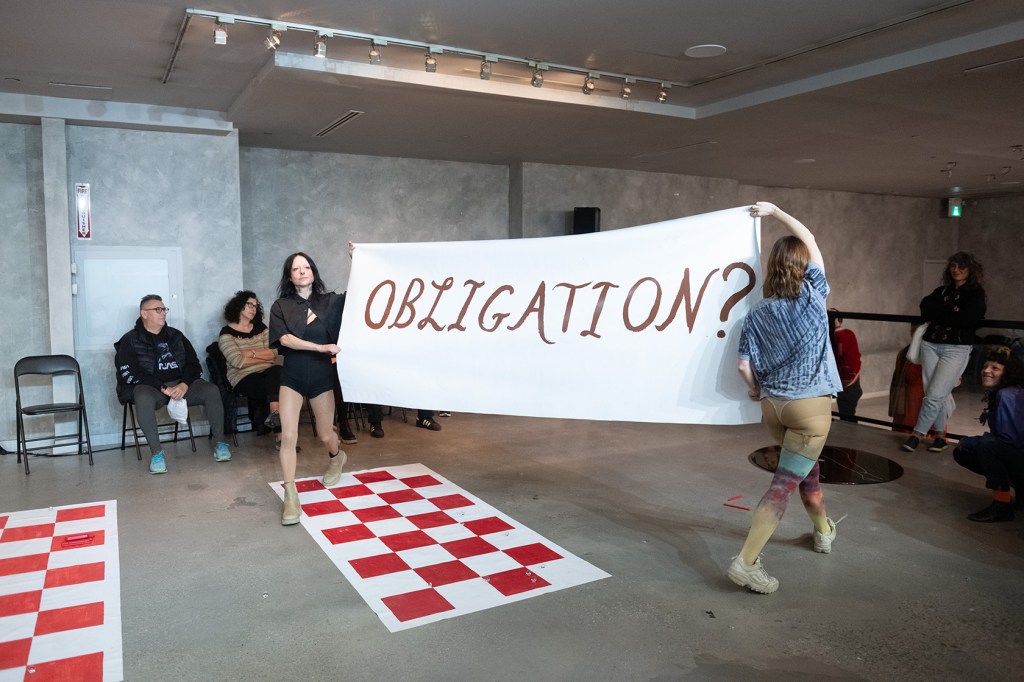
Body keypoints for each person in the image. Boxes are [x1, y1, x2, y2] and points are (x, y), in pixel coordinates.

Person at [728, 202, 843, 595]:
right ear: (803, 267)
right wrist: (776, 211)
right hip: (810, 408)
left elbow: (743, 366)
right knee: (782, 486)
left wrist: (755, 389)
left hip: (773, 408)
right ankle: (746, 563)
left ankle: (823, 531)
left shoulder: (756, 314)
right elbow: (808, 238)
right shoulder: (814, 295)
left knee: (805, 473)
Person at [269, 252, 347, 526]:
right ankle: (290, 494)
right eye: (295, 268)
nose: (302, 271)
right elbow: (286, 340)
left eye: (306, 267)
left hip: (321, 377)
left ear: (313, 272)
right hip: (292, 376)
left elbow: (362, 293)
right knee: (288, 435)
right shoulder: (281, 306)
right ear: (289, 276)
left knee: (326, 434)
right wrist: (320, 347)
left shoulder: (332, 302)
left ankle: (336, 457)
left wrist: (357, 259)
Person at [116, 294, 231, 473]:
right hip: (153, 388)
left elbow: (194, 364)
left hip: (180, 385)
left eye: (164, 309)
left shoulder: (176, 335)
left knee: (211, 390)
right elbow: (131, 374)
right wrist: (163, 388)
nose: (163, 313)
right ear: (144, 314)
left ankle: (220, 443)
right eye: (158, 310)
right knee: (142, 396)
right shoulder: (130, 340)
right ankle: (157, 454)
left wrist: (184, 384)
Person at [901, 252, 986, 453]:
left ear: (970, 270)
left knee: (935, 394)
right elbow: (925, 307)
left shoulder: (975, 293)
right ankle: (940, 437)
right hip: (930, 344)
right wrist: (952, 312)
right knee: (934, 391)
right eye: (953, 266)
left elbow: (969, 319)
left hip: (956, 348)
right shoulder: (942, 291)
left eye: (961, 266)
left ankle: (917, 434)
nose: (956, 270)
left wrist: (941, 313)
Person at [953, 346, 1024, 522]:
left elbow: (1010, 440)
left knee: (986, 447)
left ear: (1007, 373)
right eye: (985, 366)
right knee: (978, 448)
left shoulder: (1007, 395)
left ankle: (1002, 506)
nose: (986, 371)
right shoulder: (1008, 392)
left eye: (995, 368)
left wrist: (971, 441)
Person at [218, 290, 281, 438]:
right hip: (243, 376)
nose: (254, 309)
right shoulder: (226, 333)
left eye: (255, 305)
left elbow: (274, 353)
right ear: (239, 306)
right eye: (250, 305)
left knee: (278, 370)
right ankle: (280, 432)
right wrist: (263, 356)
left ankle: (275, 414)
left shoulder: (261, 328)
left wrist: (250, 353)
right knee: (279, 388)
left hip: (268, 372)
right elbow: (238, 362)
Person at [831, 310, 862, 421]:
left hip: (848, 384)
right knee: (846, 413)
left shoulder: (841, 335)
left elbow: (841, 354)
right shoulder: (846, 334)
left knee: (847, 415)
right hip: (848, 383)